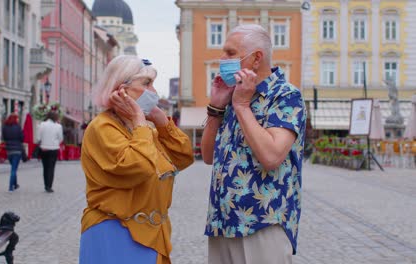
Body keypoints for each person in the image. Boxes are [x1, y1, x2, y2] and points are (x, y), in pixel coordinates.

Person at [200, 24, 307, 264]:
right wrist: (217, 107)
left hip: (263, 222)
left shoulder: (285, 95)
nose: (222, 59)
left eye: (230, 53)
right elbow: (208, 156)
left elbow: (271, 156)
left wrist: (242, 106)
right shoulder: (233, 95)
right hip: (222, 221)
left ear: (256, 58)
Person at [79, 55, 194, 264]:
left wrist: (160, 122)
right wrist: (140, 120)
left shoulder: (143, 130)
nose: (154, 92)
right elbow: (138, 167)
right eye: (146, 84)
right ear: (121, 89)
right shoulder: (103, 127)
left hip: (150, 233)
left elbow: (183, 156)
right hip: (116, 232)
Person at [37, 111, 63, 193]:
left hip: (44, 148)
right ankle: (49, 186)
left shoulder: (42, 125)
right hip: (54, 149)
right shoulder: (58, 126)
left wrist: (43, 142)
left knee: (45, 167)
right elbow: (61, 138)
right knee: (51, 168)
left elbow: (38, 138)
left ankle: (46, 185)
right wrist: (55, 143)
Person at [2, 114, 24, 192]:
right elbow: (22, 138)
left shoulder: (5, 127)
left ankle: (15, 184)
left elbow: (4, 137)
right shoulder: (18, 127)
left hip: (9, 150)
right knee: (14, 169)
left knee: (14, 168)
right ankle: (11, 187)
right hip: (17, 150)